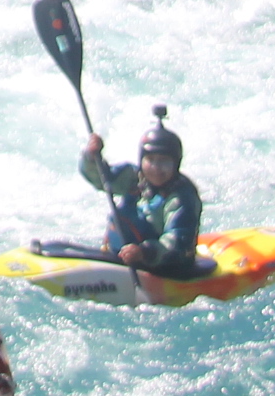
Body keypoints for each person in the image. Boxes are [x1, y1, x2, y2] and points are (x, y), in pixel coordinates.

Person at [80, 107, 205, 284]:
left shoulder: (182, 196)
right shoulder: (136, 178)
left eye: (164, 162)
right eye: (150, 160)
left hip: (168, 267)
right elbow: (103, 178)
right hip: (126, 256)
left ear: (176, 164)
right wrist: (92, 157)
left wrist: (144, 252)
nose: (156, 168)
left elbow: (177, 241)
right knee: (123, 213)